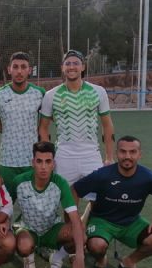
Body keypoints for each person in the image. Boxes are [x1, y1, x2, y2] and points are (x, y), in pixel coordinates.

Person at [73, 136, 152, 268]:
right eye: (123, 151)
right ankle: (101, 261)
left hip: (131, 222)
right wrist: (77, 222)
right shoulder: (103, 175)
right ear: (116, 153)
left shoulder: (149, 178)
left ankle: (129, 262)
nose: (127, 156)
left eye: (133, 152)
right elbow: (75, 190)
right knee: (96, 245)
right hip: (102, 221)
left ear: (140, 154)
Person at [39, 50, 115, 196]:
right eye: (68, 63)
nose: (71, 67)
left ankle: (88, 213)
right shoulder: (50, 95)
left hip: (91, 155)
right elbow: (43, 128)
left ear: (83, 67)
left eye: (76, 63)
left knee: (98, 199)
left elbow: (107, 125)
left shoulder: (98, 91)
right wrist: (49, 157)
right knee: (68, 199)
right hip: (64, 157)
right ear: (62, 67)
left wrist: (109, 157)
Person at [14, 142, 86, 268]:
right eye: (39, 161)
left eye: (48, 161)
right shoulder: (19, 181)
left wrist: (80, 255)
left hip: (52, 228)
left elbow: (75, 220)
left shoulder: (61, 183)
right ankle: (28, 258)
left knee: (81, 237)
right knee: (23, 247)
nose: (43, 166)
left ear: (53, 164)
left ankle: (57, 258)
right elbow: (4, 206)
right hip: (27, 228)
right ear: (33, 163)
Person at [0, 52, 45, 200]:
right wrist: (6, 129)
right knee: (5, 204)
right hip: (8, 161)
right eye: (15, 67)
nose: (19, 71)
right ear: (9, 69)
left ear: (29, 70)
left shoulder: (39, 93)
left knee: (32, 205)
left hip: (31, 161)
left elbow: (46, 121)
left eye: (23, 67)